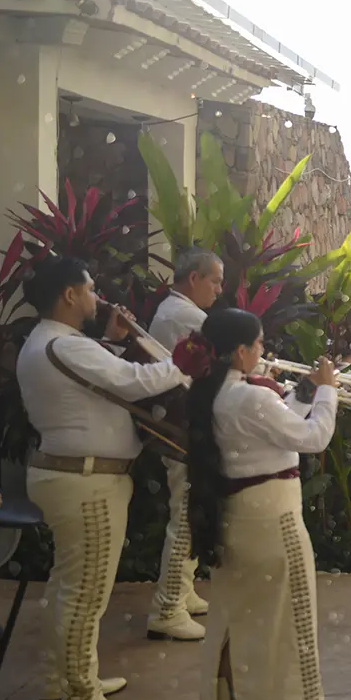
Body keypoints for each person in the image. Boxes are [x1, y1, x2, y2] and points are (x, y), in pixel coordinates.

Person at [18, 257, 189, 700]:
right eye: (90, 289)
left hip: (72, 477)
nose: (98, 298)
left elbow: (101, 370)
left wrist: (114, 341)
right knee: (84, 596)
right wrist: (183, 365)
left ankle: (65, 680)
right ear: (69, 295)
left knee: (67, 588)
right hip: (87, 482)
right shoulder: (62, 344)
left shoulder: (55, 343)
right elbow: (131, 381)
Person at [183, 309, 345, 700]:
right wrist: (330, 389)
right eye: (257, 344)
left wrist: (303, 392)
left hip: (237, 519)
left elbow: (272, 428)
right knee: (287, 633)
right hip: (273, 520)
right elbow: (314, 437)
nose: (263, 351)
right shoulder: (250, 396)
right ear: (240, 351)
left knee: (231, 629)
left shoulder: (214, 394)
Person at [146, 246, 225, 643]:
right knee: (187, 516)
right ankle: (168, 607)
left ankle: (183, 590)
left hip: (180, 426)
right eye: (215, 280)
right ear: (193, 278)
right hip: (184, 430)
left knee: (187, 511)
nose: (220, 290)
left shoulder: (174, 311)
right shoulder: (187, 316)